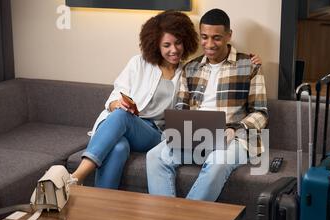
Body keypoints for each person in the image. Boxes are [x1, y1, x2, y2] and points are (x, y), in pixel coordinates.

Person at [70, 10, 262, 189]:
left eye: (178, 43)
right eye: (166, 45)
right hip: (124, 124)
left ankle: (74, 178)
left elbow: (186, 111)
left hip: (155, 134)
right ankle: (101, 206)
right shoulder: (139, 63)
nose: (174, 50)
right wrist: (117, 104)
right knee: (119, 147)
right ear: (155, 44)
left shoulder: (188, 71)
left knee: (121, 118)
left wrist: (250, 62)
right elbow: (114, 96)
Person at [146, 8, 269, 201]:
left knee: (217, 161)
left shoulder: (249, 65)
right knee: (154, 157)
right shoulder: (191, 68)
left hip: (236, 137)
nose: (209, 44)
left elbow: (261, 113)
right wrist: (182, 129)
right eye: (204, 37)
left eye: (217, 38)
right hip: (196, 134)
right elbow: (180, 108)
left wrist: (233, 129)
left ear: (229, 35)